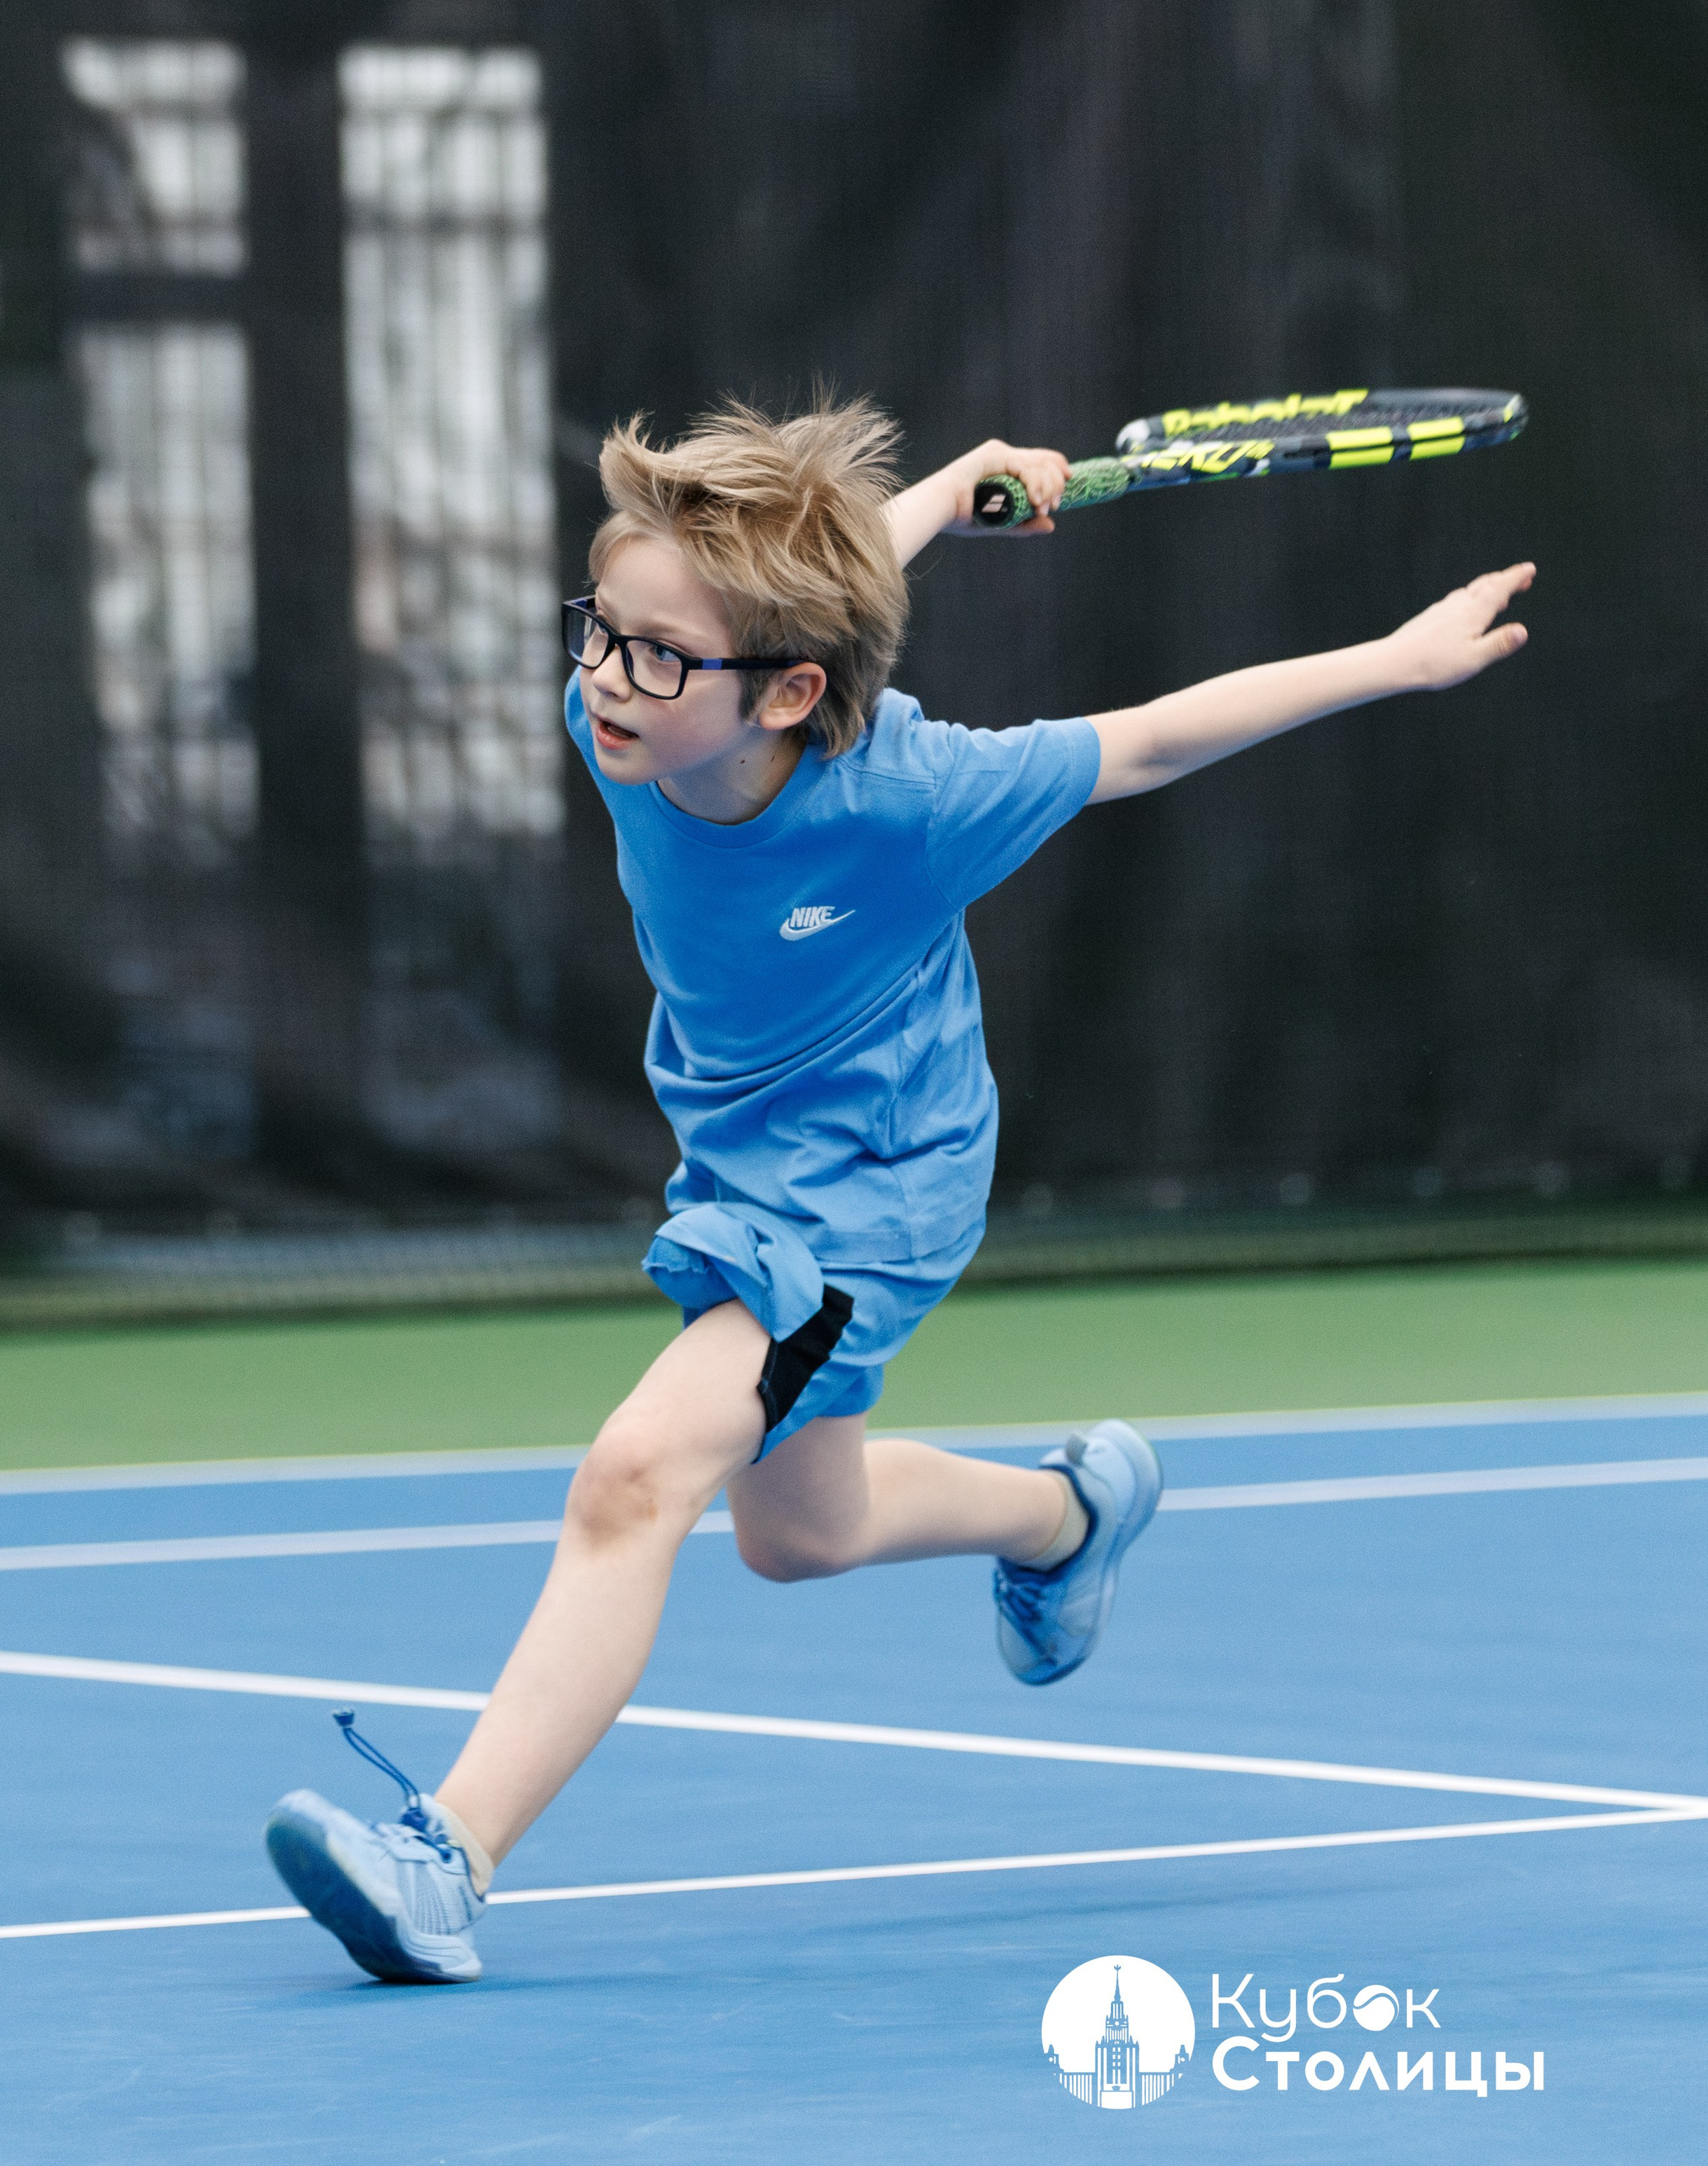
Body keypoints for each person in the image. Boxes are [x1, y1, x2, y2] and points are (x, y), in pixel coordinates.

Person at [265, 399, 1534, 1982]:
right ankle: (1070, 1514)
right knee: (799, 1532)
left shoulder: (910, 801)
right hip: (740, 1161)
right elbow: (789, 592)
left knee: (636, 1474)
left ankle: (443, 1858)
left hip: (873, 1190)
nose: (603, 677)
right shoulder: (648, 718)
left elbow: (1143, 737)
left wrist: (1388, 661)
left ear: (790, 692)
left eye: (654, 654)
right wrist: (943, 491)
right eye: (598, 631)